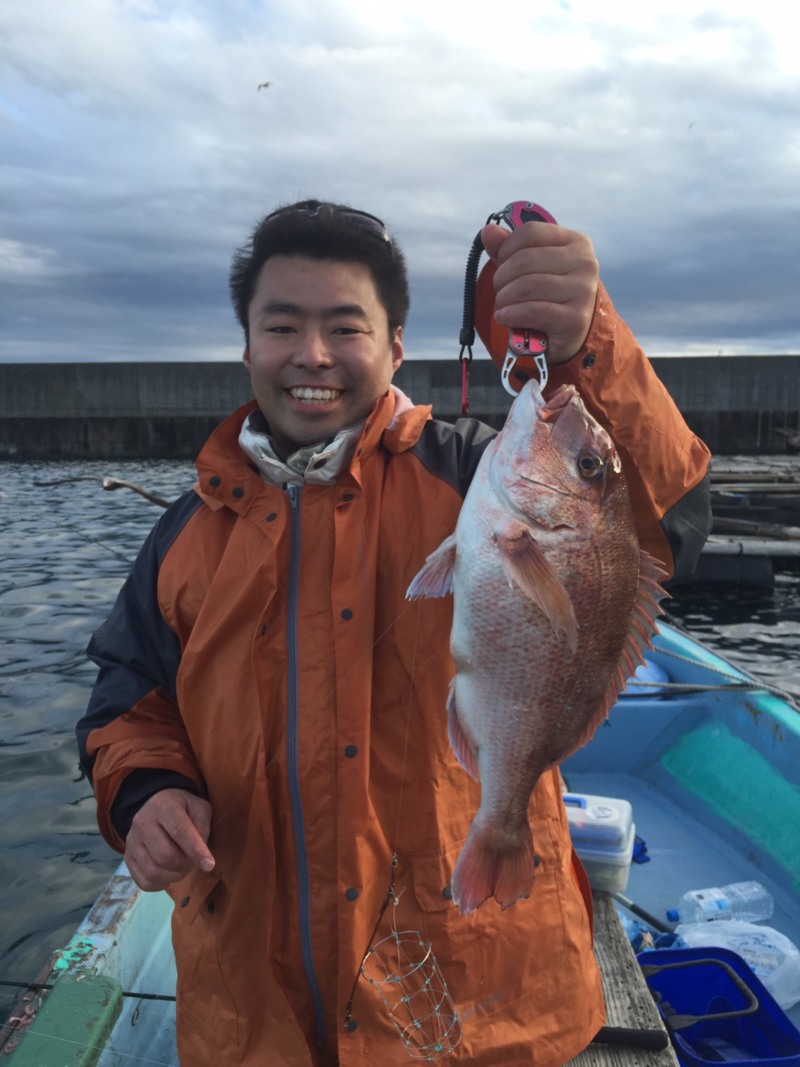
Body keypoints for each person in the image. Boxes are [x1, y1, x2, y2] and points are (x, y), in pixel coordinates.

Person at [77, 199, 711, 1067]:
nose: (312, 355)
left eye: (346, 326)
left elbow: (661, 525)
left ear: (397, 347)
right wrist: (143, 790)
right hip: (251, 1015)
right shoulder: (190, 526)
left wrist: (581, 345)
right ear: (247, 347)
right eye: (283, 326)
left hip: (466, 1004)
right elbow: (126, 694)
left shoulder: (465, 471)